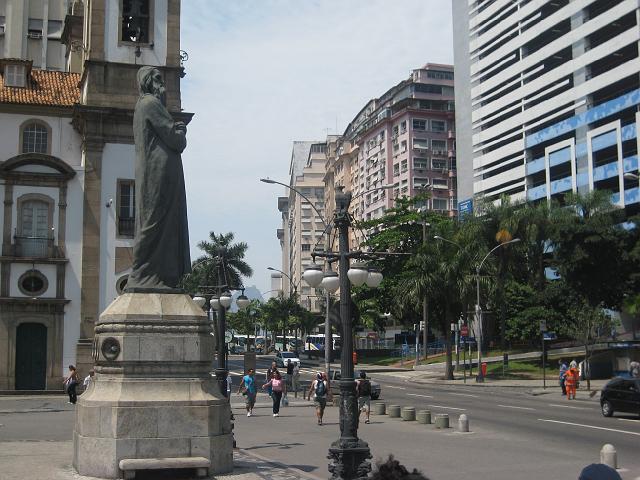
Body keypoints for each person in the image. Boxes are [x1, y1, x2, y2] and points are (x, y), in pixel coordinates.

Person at [126, 66, 190, 292]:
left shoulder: (142, 106)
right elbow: (175, 140)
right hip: (159, 173)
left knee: (159, 223)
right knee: (156, 222)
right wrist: (181, 130)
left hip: (156, 171)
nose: (162, 83)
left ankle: (157, 274)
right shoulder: (150, 104)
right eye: (156, 78)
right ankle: (144, 274)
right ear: (146, 81)